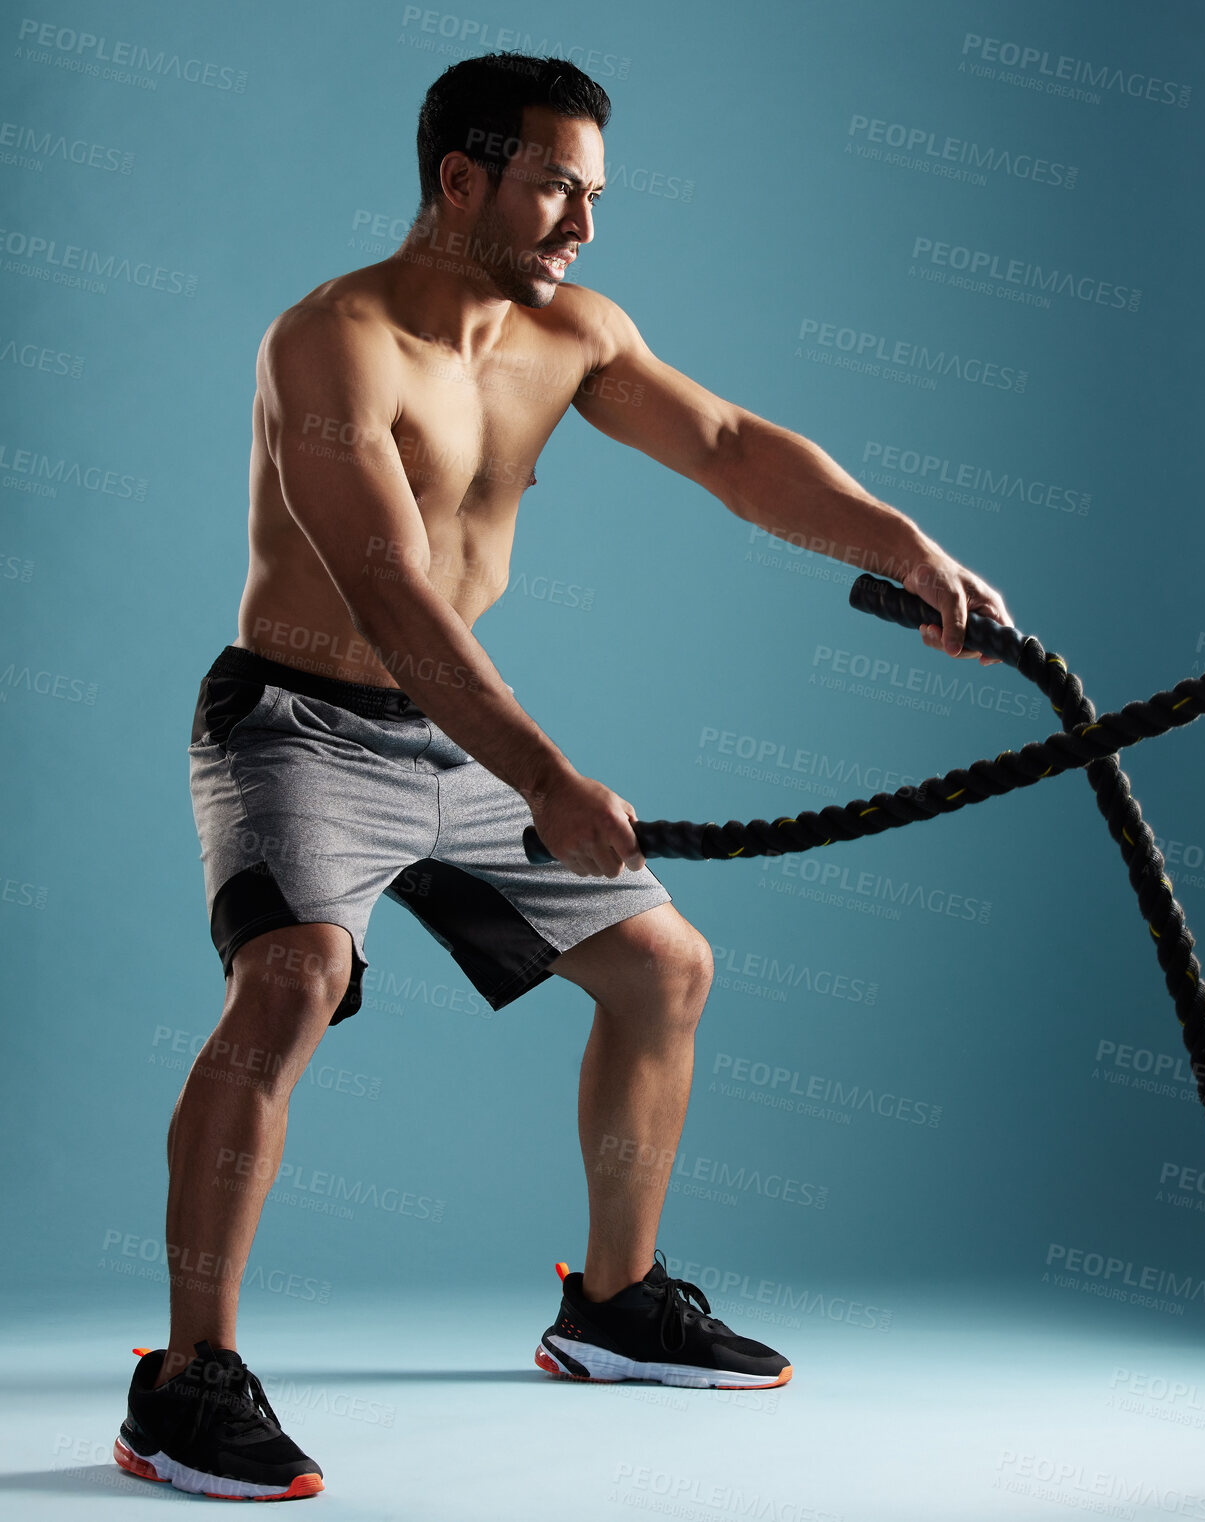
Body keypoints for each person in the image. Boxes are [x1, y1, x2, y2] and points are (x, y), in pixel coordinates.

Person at [113, 52, 1012, 1501]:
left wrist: (897, 542)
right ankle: (186, 1380)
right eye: (553, 188)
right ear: (459, 179)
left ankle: (612, 1305)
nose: (582, 226)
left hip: (456, 736)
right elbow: (393, 595)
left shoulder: (571, 333)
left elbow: (727, 446)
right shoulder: (328, 342)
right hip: (299, 724)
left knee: (664, 970)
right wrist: (547, 773)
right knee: (285, 983)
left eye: (594, 195)